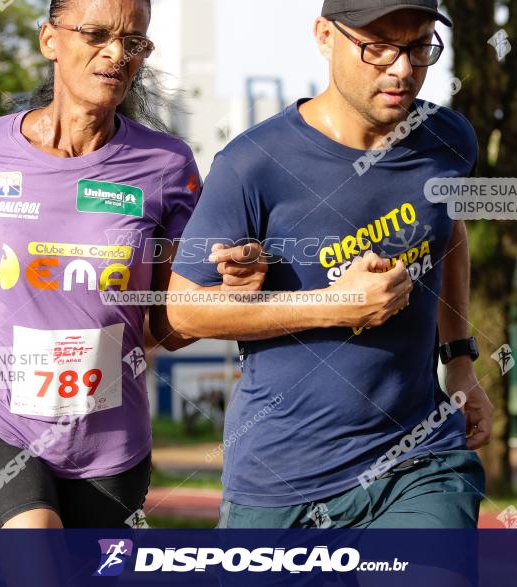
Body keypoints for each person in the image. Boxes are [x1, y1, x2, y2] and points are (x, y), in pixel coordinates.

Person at [0, 0, 263, 529]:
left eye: (133, 41)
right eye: (96, 34)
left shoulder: (167, 166)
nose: (117, 53)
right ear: (50, 40)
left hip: (109, 443)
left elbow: (167, 322)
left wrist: (227, 294)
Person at [168, 0, 494, 529]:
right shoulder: (251, 165)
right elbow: (185, 314)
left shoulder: (448, 140)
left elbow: (450, 231)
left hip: (419, 460)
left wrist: (459, 358)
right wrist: (334, 304)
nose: (402, 69)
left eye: (419, 46)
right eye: (378, 46)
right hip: (282, 481)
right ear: (324, 36)